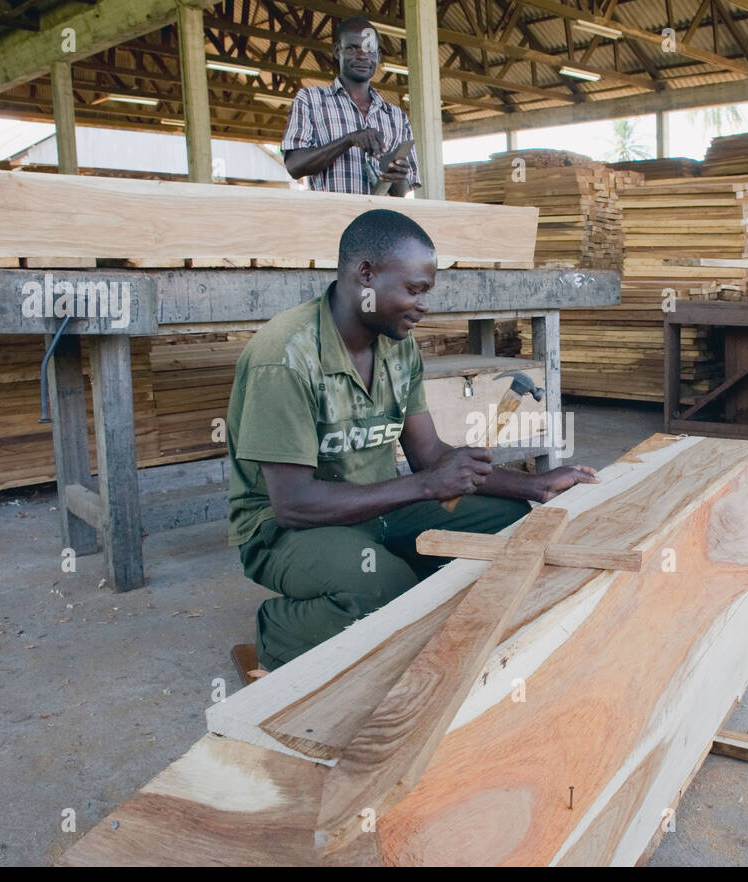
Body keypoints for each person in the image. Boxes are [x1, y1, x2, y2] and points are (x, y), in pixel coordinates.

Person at [226, 209, 598, 671]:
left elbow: (431, 456)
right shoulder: (284, 357)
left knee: (509, 527)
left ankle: (405, 601)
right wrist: (425, 487)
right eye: (414, 290)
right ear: (366, 275)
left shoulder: (397, 347)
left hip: (379, 506)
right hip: (286, 530)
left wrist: (535, 487)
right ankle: (280, 629)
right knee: (381, 590)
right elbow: (294, 505)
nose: (424, 305)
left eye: (427, 291)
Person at [281, 17, 418, 196]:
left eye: (369, 50)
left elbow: (403, 192)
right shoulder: (310, 100)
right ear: (337, 51)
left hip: (380, 222)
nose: (362, 55)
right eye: (353, 48)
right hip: (335, 220)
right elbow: (295, 166)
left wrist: (396, 176)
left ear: (378, 56)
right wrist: (350, 139)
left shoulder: (397, 117)